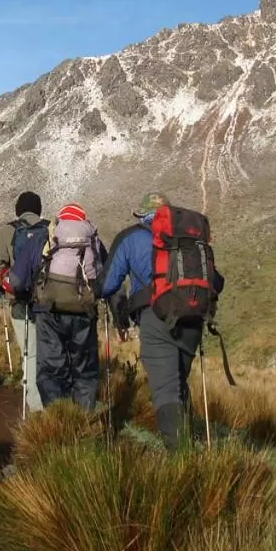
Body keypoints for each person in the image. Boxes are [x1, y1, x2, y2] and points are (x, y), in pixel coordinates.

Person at [95, 192, 223, 449]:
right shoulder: (189, 239)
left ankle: (181, 462)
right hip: (192, 319)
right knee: (178, 381)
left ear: (142, 215)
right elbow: (217, 282)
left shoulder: (131, 237)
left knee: (166, 389)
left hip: (156, 318)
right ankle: (190, 445)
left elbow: (106, 285)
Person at [32, 203, 104, 410]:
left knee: (51, 367)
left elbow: (22, 275)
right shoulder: (93, 240)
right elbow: (103, 275)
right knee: (84, 369)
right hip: (83, 310)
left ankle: (58, 418)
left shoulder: (46, 236)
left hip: (49, 311)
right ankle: (83, 419)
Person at [0, 191, 49, 414]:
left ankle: (36, 407)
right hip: (48, 304)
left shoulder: (8, 231)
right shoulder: (50, 229)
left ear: (18, 209)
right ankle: (55, 401)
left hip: (20, 303)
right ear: (39, 209)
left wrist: (9, 283)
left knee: (29, 354)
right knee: (49, 352)